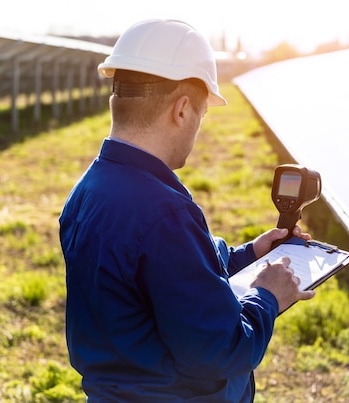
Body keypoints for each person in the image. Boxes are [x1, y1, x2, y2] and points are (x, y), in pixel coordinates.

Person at [59, 19, 315, 402]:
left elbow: (160, 278)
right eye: (200, 115)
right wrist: (268, 295)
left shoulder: (88, 191)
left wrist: (249, 255)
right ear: (181, 111)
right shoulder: (165, 213)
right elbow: (222, 351)